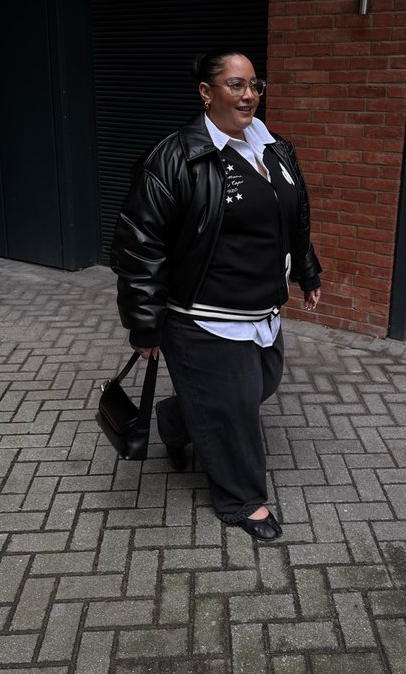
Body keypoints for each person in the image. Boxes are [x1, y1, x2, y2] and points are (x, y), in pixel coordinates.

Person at [110, 48, 322, 541]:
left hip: (263, 307)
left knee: (261, 385)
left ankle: (175, 416)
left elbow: (292, 221)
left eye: (254, 85)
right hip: (201, 314)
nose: (249, 95)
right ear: (206, 93)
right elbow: (139, 248)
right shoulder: (174, 158)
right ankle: (240, 500)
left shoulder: (274, 149)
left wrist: (306, 271)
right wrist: (144, 324)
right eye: (235, 84)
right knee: (234, 411)